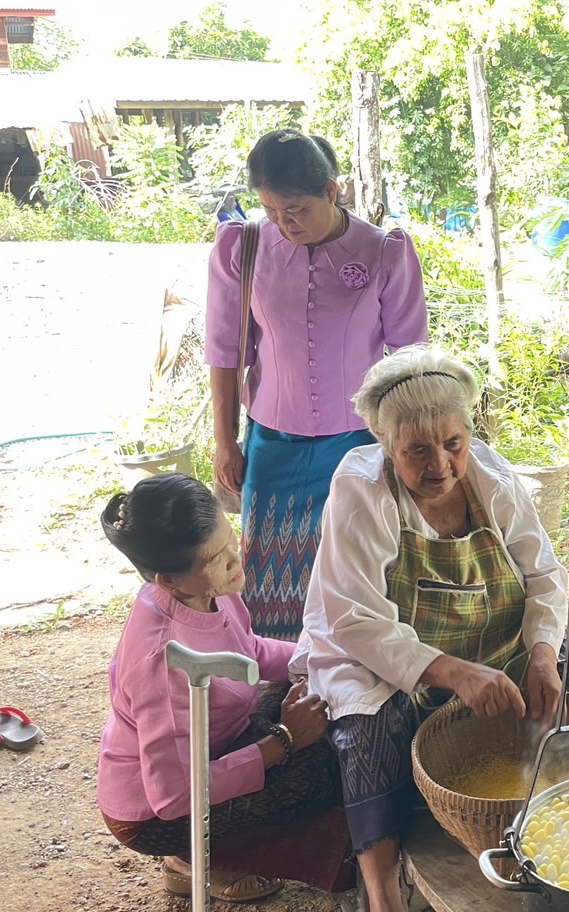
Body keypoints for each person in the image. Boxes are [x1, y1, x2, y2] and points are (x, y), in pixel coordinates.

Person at [294, 345, 569, 912]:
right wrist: (446, 671)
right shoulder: (360, 491)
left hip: (488, 634)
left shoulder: (492, 478)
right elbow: (353, 619)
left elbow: (542, 577)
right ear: (385, 445)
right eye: (416, 451)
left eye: (453, 443)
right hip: (380, 650)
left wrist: (543, 655)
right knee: (371, 732)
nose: (439, 464)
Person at [206, 129, 429, 640]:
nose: (284, 223)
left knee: (359, 560)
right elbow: (224, 353)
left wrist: (409, 446)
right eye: (271, 209)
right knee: (268, 570)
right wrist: (224, 443)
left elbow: (410, 359)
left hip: (359, 443)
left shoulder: (383, 252)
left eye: (296, 209)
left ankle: (355, 675)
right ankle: (280, 683)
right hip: (272, 443)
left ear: (331, 191)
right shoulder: (244, 246)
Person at [96, 474, 341, 902]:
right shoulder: (162, 667)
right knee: (319, 770)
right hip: (155, 815)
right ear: (169, 581)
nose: (235, 559)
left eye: (231, 540)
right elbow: (172, 797)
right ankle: (196, 858)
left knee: (313, 698)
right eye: (217, 557)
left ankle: (213, 855)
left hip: (215, 742)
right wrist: (284, 740)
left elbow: (246, 651)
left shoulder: (206, 590)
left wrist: (322, 657)